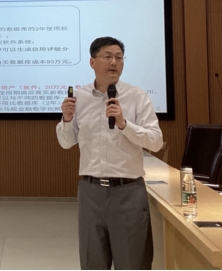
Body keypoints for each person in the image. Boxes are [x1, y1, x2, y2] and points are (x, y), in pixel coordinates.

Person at [56, 36, 163, 270]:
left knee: (133, 262)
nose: (114, 62)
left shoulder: (137, 96)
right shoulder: (79, 98)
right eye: (107, 56)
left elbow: (156, 141)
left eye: (119, 57)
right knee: (92, 261)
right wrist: (67, 119)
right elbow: (66, 142)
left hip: (128, 192)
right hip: (91, 191)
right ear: (92, 62)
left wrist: (124, 124)